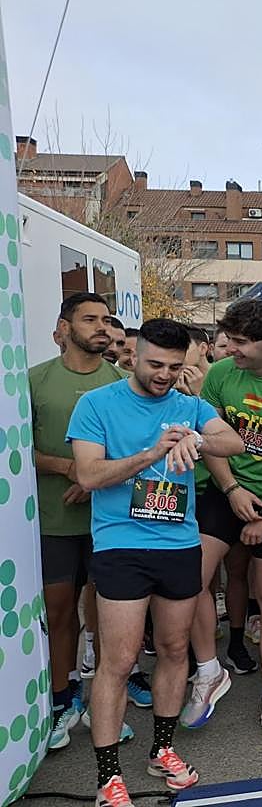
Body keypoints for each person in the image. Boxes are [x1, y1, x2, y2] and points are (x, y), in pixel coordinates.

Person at [67, 318, 244, 807]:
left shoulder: (189, 405)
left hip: (179, 545)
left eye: (174, 365)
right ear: (132, 355)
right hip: (121, 545)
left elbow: (234, 442)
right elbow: (88, 473)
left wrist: (198, 440)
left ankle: (162, 750)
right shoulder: (97, 404)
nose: (165, 374)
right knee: (119, 662)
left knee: (173, 651)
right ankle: (108, 779)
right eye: (155, 365)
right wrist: (151, 453)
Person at [182, 300, 262, 741]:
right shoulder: (220, 374)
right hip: (226, 490)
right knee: (193, 580)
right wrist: (233, 491)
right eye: (229, 341)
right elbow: (209, 440)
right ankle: (207, 673)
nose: (230, 350)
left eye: (240, 343)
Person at [34, 294, 126, 752]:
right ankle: (62, 699)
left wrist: (93, 479)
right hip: (53, 521)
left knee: (108, 619)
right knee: (59, 612)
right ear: (63, 326)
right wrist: (68, 468)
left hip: (111, 523)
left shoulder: (122, 382)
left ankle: (100, 706)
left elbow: (136, 452)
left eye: (106, 320)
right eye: (89, 319)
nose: (101, 327)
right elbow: (16, 450)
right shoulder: (33, 381)